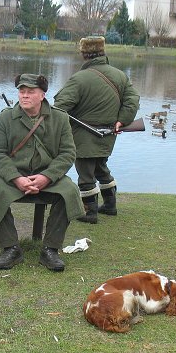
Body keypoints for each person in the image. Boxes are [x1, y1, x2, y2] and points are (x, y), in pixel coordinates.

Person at [0, 74, 84, 271]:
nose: (24, 96)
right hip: (13, 176)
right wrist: (16, 178)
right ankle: (10, 248)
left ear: (42, 95)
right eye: (21, 91)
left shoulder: (60, 118)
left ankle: (50, 249)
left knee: (69, 191)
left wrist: (47, 177)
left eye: (30, 92)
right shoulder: (6, 117)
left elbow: (68, 153)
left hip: (48, 177)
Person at [54, 36, 140, 223]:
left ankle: (89, 211)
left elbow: (60, 106)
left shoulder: (79, 79)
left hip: (84, 135)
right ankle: (110, 205)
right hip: (109, 134)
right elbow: (133, 100)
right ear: (103, 52)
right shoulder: (120, 75)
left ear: (84, 54)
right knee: (101, 167)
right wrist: (122, 121)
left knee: (85, 174)